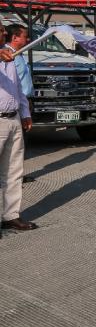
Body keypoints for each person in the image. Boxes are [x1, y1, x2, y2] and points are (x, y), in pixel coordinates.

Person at [0, 23, 38, 234]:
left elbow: (18, 89)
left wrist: (25, 113)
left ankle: (11, 216)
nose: (5, 33)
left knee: (14, 171)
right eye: (0, 30)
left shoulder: (11, 57)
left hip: (13, 119)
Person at [3, 24, 36, 183]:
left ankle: (14, 176)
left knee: (18, 146)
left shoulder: (18, 55)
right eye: (25, 36)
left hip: (21, 104)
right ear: (15, 37)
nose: (28, 39)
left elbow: (18, 83)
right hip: (6, 110)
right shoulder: (7, 55)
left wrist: (25, 110)